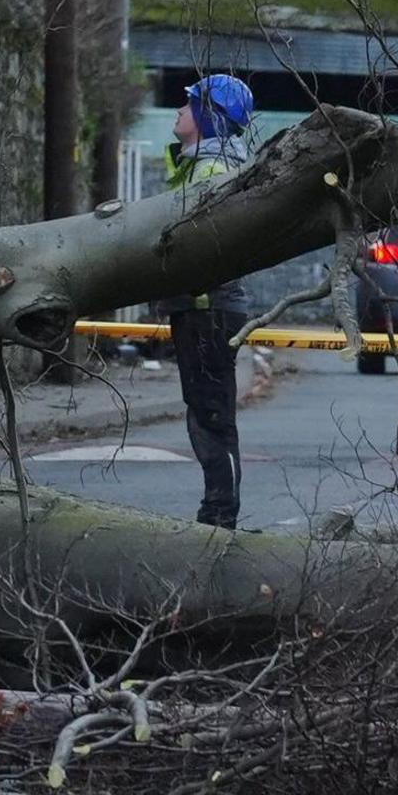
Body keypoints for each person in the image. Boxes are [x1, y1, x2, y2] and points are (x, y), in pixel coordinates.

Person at [163, 71, 259, 528]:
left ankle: (220, 516)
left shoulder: (212, 170)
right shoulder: (196, 165)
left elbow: (201, 243)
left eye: (189, 103)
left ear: (208, 115)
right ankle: (217, 512)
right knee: (204, 411)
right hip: (198, 307)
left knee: (213, 416)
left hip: (208, 308)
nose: (179, 110)